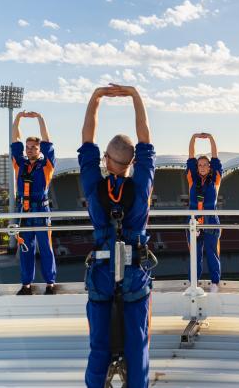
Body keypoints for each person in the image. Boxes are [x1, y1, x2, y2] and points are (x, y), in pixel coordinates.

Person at [79, 84, 155, 387]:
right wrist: (135, 95)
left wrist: (96, 98)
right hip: (134, 273)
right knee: (138, 349)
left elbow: (87, 138)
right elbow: (145, 138)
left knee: (99, 347)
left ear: (106, 159)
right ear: (132, 162)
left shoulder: (94, 186)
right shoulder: (141, 187)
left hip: (100, 273)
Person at [11, 111, 56, 295]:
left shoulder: (47, 165)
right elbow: (15, 140)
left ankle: (50, 283)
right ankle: (26, 284)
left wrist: (40, 118)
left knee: (46, 248)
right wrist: (18, 118)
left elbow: (47, 141)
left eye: (34, 147)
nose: (30, 149)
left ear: (40, 150)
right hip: (24, 212)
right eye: (28, 147)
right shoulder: (19, 164)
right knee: (25, 248)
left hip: (41, 211)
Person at [186, 133, 223, 293]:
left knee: (211, 252)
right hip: (194, 221)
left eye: (205, 165)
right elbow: (190, 157)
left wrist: (211, 138)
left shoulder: (215, 178)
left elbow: (215, 157)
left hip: (210, 221)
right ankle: (194, 282)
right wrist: (193, 138)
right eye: (199, 165)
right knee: (195, 254)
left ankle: (215, 283)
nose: (202, 167)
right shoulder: (192, 179)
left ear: (209, 167)